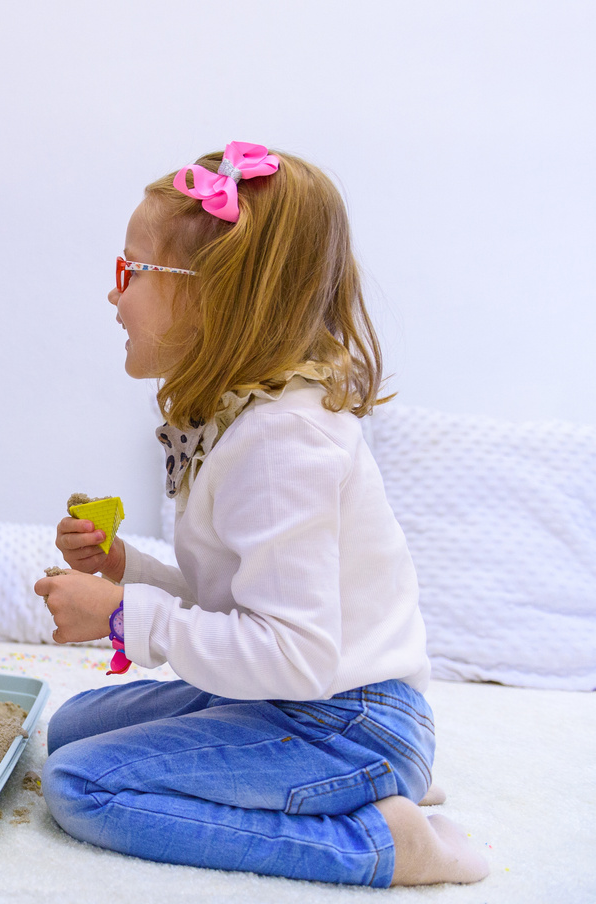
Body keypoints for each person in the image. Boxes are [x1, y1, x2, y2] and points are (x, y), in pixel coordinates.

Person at [32, 143, 488, 887]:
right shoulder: (243, 421)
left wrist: (124, 616)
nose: (112, 296)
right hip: (298, 698)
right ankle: (374, 779)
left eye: (131, 271)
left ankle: (379, 839)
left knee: (83, 783)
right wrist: (129, 571)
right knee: (70, 729)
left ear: (212, 294)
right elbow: (239, 607)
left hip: (341, 718)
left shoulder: (283, 441)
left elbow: (293, 654)